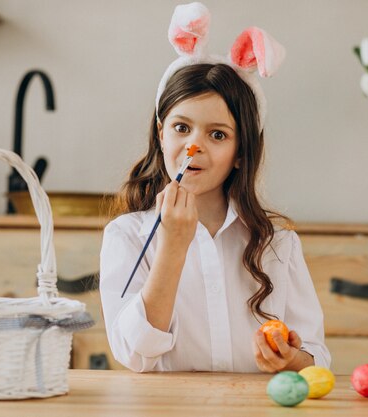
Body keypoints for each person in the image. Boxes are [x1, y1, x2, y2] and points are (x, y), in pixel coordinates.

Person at [99, 2, 330, 373]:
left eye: (217, 134)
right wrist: (172, 245)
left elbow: (316, 356)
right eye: (181, 128)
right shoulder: (126, 236)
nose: (194, 147)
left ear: (240, 153)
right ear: (160, 135)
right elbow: (134, 354)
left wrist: (291, 358)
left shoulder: (278, 244)